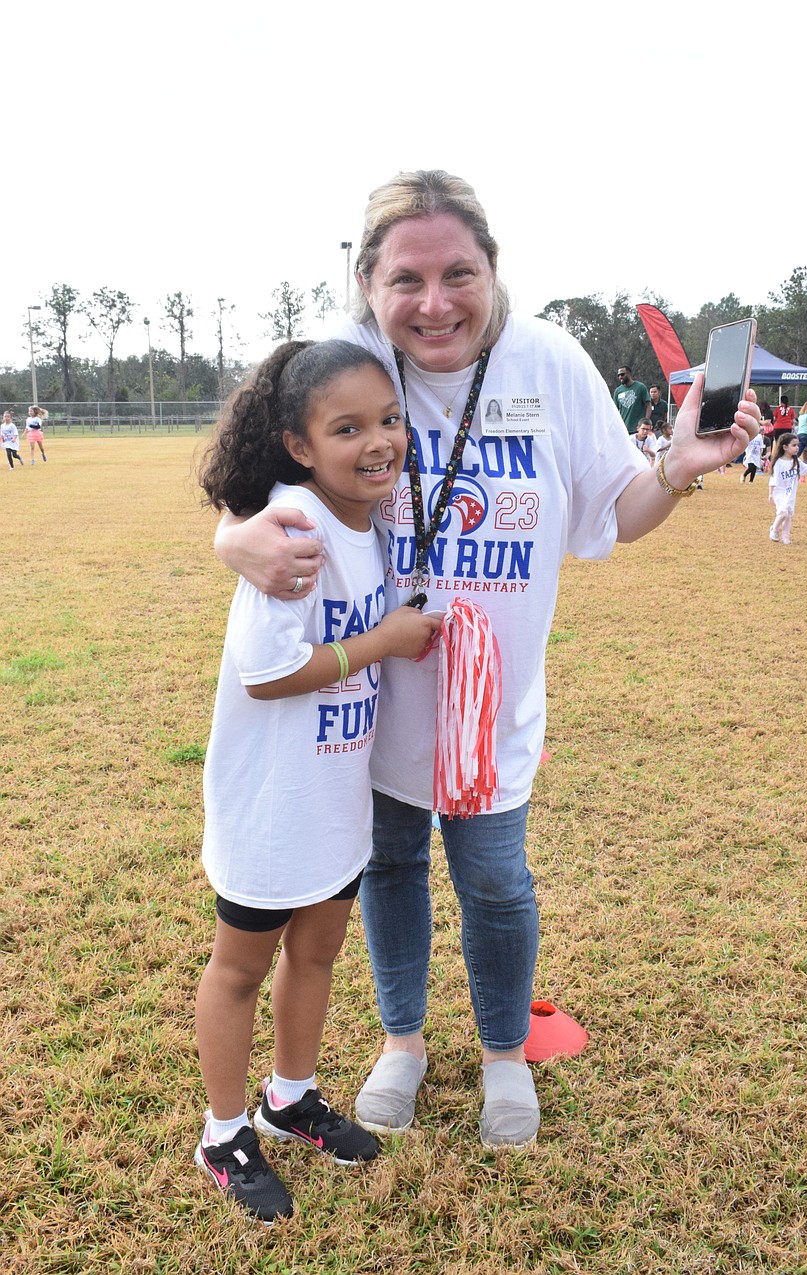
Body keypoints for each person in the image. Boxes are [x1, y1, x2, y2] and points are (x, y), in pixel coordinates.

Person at [214, 170, 759, 1151]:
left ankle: (505, 1056)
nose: (435, 303)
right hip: (372, 712)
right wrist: (230, 537)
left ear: (493, 270)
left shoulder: (548, 362)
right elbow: (252, 478)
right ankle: (403, 1045)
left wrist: (675, 469)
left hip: (491, 713)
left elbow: (613, 511)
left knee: (496, 885)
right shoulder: (348, 364)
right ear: (367, 283)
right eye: (407, 279)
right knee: (388, 871)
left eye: (457, 273)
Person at [193, 339, 441, 1222]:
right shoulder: (295, 525)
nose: (378, 442)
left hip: (335, 792)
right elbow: (268, 672)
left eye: (388, 421)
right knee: (239, 969)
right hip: (271, 804)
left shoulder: (369, 519)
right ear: (300, 445)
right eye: (348, 428)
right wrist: (384, 643)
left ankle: (289, 1098)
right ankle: (224, 1134)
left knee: (319, 951)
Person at [768, 432, 807, 544]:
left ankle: (786, 537)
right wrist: (770, 494)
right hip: (779, 492)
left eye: (797, 445)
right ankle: (774, 529)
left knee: (789, 515)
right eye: (794, 445)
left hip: (791, 493)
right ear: (785, 447)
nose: (797, 448)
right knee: (783, 512)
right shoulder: (778, 462)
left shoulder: (796, 461)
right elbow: (773, 480)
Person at [613, 366, 651, 434]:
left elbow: (648, 405)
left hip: (638, 429)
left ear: (629, 374)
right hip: (623, 429)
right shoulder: (618, 391)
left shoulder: (640, 387)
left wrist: (645, 421)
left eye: (622, 374)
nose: (620, 377)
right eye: (618, 375)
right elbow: (614, 410)